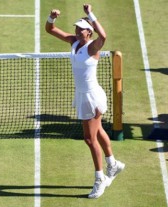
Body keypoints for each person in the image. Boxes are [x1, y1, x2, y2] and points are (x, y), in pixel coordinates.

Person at [45, 4, 125, 199]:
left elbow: (104, 36)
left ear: (90, 32)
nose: (78, 31)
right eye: (77, 28)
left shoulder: (93, 47)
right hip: (82, 95)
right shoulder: (74, 42)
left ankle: (101, 179)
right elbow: (50, 29)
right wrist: (52, 17)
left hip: (92, 97)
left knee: (89, 139)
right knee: (97, 132)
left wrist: (91, 14)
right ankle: (113, 164)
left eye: (82, 28)